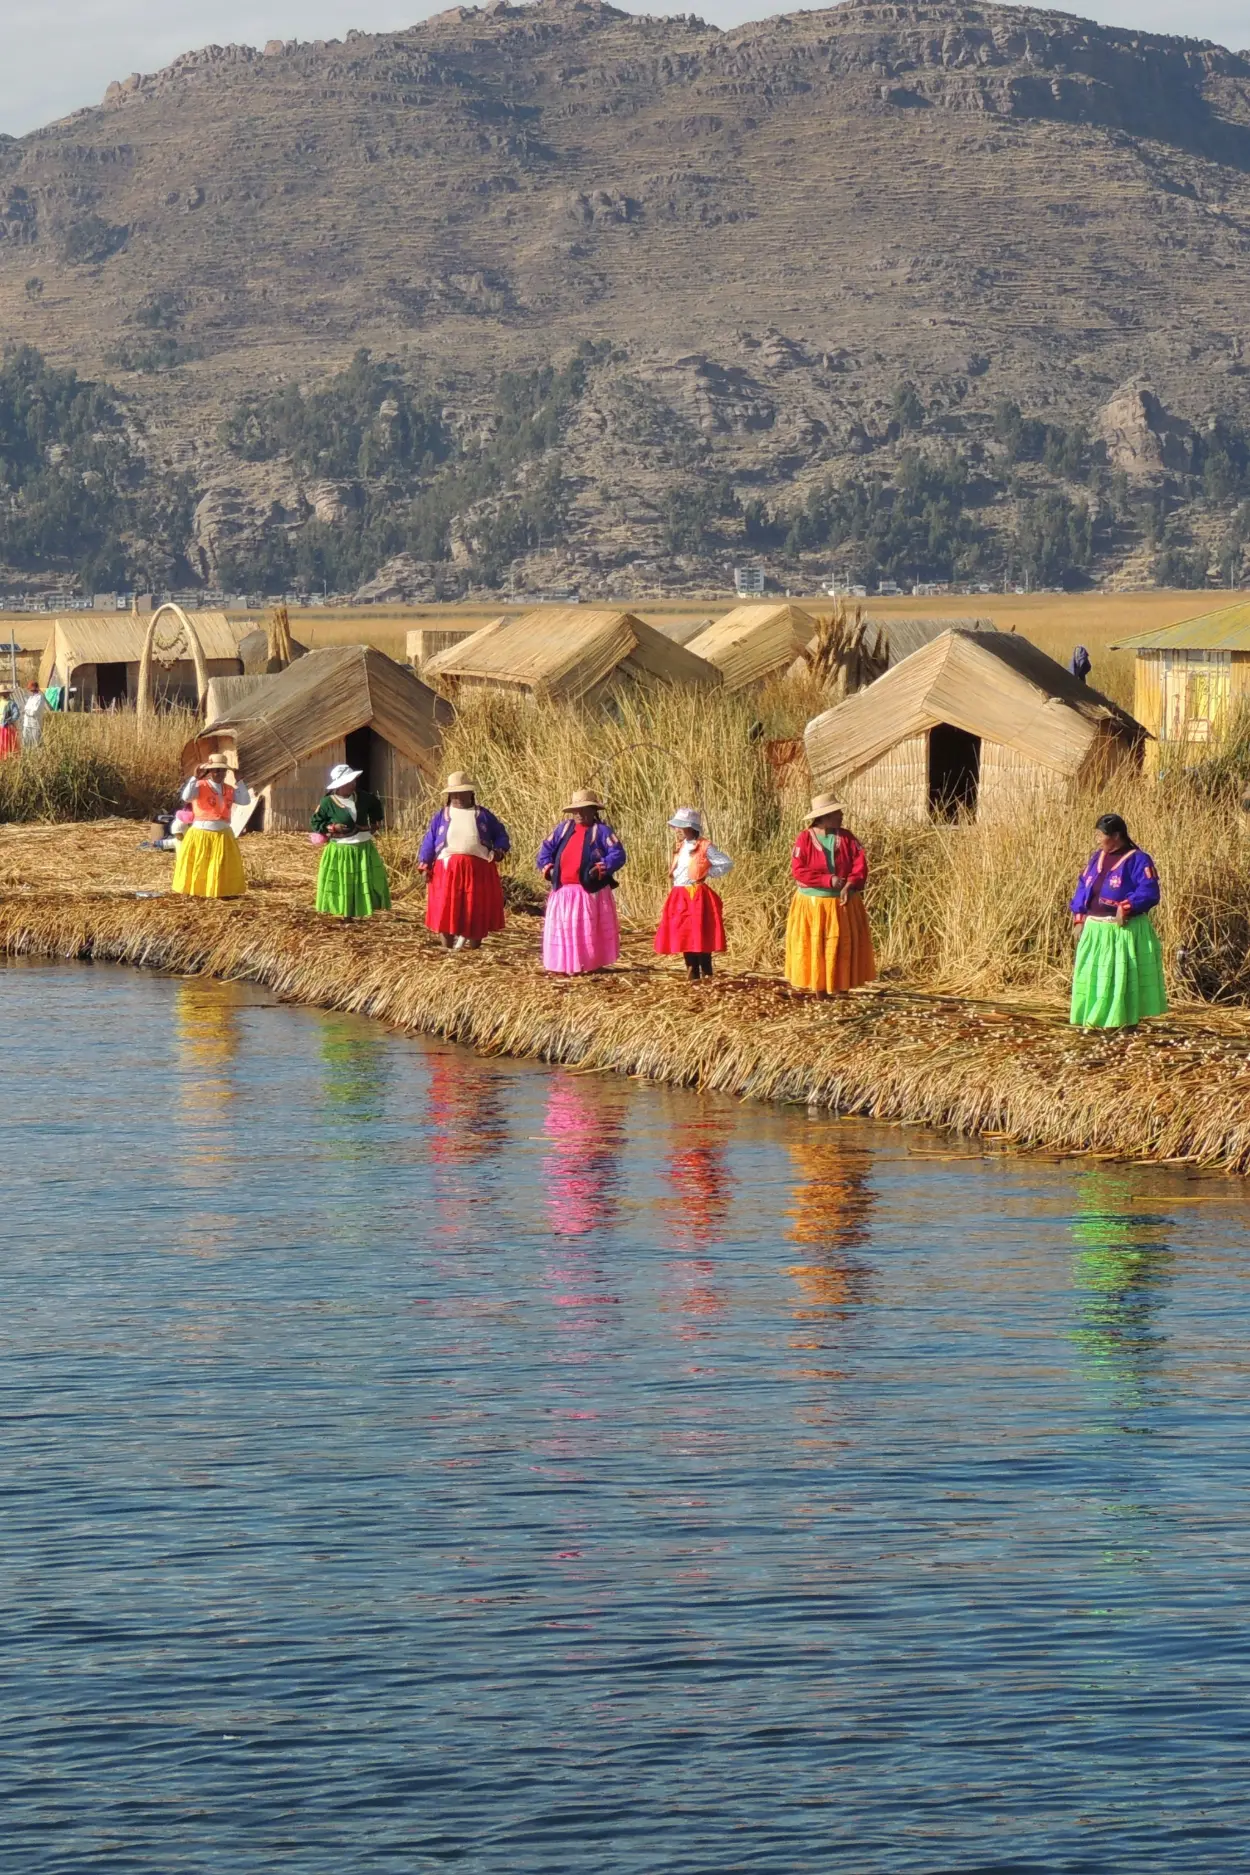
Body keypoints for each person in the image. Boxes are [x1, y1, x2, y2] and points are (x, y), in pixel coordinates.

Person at [1069, 812, 1167, 1030]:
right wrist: (1079, 918)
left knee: (1118, 980)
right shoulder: (1097, 858)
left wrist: (1127, 906)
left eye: (1100, 834)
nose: (1096, 838)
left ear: (1116, 835)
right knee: (1095, 978)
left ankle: (1121, 1023)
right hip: (1095, 930)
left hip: (1121, 931)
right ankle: (1094, 1022)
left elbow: (1149, 891)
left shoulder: (1139, 860)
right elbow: (1083, 886)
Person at [785, 793, 876, 995]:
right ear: (824, 817)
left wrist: (849, 884)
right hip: (814, 904)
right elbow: (799, 870)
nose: (842, 815)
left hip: (842, 902)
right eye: (837, 812)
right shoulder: (804, 839)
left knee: (840, 945)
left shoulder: (847, 837)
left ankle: (841, 985)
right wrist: (828, 880)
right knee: (817, 945)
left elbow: (860, 863)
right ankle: (819, 988)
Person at [537, 788, 626, 974]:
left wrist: (602, 867)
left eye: (584, 809)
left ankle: (587, 964)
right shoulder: (563, 829)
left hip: (588, 891)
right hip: (563, 891)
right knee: (564, 930)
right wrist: (550, 869)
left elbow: (618, 854)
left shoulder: (601, 831)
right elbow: (545, 850)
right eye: (576, 810)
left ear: (594, 811)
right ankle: (563, 965)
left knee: (585, 930)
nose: (579, 814)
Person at [417, 770, 509, 950]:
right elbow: (429, 840)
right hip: (447, 868)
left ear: (471, 794)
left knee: (475, 907)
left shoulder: (482, 814)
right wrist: (425, 864)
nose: (457, 797)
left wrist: (499, 850)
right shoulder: (441, 816)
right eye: (454, 793)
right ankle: (447, 946)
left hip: (478, 868)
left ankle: (474, 948)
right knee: (446, 905)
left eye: (462, 792)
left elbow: (501, 834)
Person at [654, 807, 732, 980]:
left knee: (699, 932)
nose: (677, 830)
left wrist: (707, 872)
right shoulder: (680, 846)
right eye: (676, 826)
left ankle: (706, 971)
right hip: (679, 893)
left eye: (680, 826)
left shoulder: (704, 846)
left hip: (696, 894)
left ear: (691, 827)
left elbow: (725, 863)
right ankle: (692, 971)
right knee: (684, 932)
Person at [310, 762, 390, 919]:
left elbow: (376, 806)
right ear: (339, 786)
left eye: (353, 781)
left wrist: (375, 822)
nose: (353, 784)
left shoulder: (364, 797)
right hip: (342, 850)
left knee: (364, 880)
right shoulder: (328, 803)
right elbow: (315, 822)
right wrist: (332, 828)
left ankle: (362, 911)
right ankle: (346, 914)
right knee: (345, 881)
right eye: (349, 782)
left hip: (363, 847)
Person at [172, 754, 250, 899]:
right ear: (210, 772)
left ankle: (222, 892)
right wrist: (195, 778)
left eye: (222, 771)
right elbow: (186, 797)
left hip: (222, 834)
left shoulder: (229, 789)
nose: (219, 774)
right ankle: (192, 891)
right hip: (201, 833)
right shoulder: (200, 786)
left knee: (220, 865)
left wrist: (240, 781)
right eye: (215, 770)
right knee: (198, 863)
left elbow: (245, 800)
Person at [21, 680, 48, 751]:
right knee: (26, 743)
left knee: (36, 744)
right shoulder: (30, 698)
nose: (31, 691)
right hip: (26, 724)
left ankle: (37, 759)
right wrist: (26, 711)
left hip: (35, 724)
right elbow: (26, 708)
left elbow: (34, 711)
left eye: (32, 689)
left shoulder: (40, 697)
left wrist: (26, 712)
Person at [0, 687, 19, 759]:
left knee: (8, 745)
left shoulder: (11, 703)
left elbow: (16, 714)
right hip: (0, 728)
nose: (3, 695)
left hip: (7, 728)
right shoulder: (0, 702)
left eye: (5, 693)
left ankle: (9, 759)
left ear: (7, 693)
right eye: (2, 693)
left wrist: (9, 721)